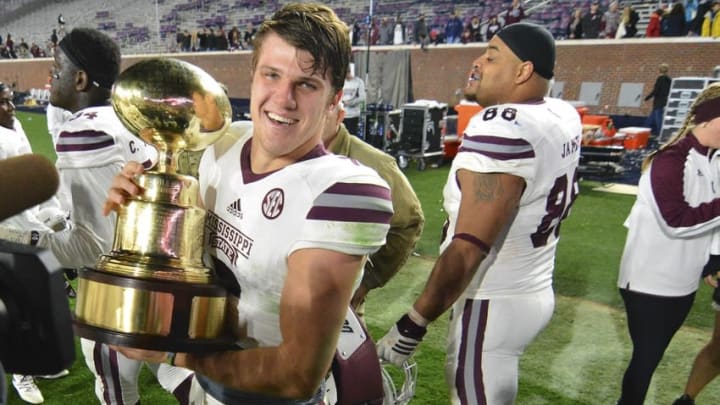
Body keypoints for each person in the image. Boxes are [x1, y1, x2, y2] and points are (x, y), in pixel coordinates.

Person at [105, 4, 393, 404]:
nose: (283, 98)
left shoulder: (345, 191)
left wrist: (174, 353)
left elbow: (296, 375)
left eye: (306, 84)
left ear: (334, 99)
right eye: (271, 75)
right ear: (253, 76)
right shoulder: (222, 142)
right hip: (209, 379)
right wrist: (142, 205)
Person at [376, 22, 582, 404]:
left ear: (523, 71)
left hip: (493, 300)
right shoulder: (560, 113)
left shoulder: (503, 128)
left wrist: (413, 323)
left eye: (491, 56)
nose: (477, 63)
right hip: (533, 287)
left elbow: (469, 246)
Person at [0, 27, 202, 405]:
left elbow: (92, 246)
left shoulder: (83, 131)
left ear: (79, 78)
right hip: (168, 281)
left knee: (115, 388)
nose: (51, 78)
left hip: (117, 294)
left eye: (56, 68)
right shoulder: (131, 118)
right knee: (181, 374)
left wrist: (19, 240)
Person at [616, 82, 720, 405]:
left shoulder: (714, 160)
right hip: (649, 281)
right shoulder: (670, 160)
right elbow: (675, 221)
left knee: (652, 356)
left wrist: (714, 258)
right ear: (707, 119)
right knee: (645, 360)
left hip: (682, 281)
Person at [0, 81, 71, 404]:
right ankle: (21, 374)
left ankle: (35, 363)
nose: (11, 108)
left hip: (26, 224)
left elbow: (30, 171)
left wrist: (47, 213)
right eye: (3, 103)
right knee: (13, 300)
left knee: (35, 293)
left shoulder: (12, 129)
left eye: (10, 101)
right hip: (7, 231)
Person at [322, 102, 424, 319]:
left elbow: (408, 221)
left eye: (321, 111)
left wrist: (367, 280)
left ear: (339, 115)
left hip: (337, 311)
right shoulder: (285, 151)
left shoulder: (373, 163)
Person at [644, 63, 672, 136]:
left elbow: (656, 90)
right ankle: (645, 132)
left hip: (658, 102)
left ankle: (660, 134)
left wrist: (647, 98)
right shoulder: (669, 80)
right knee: (650, 120)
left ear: (659, 70)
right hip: (664, 101)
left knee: (658, 119)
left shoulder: (660, 79)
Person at [341, 63, 366, 138]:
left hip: (353, 115)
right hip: (341, 114)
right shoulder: (341, 82)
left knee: (351, 137)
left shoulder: (359, 82)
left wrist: (350, 103)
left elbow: (362, 97)